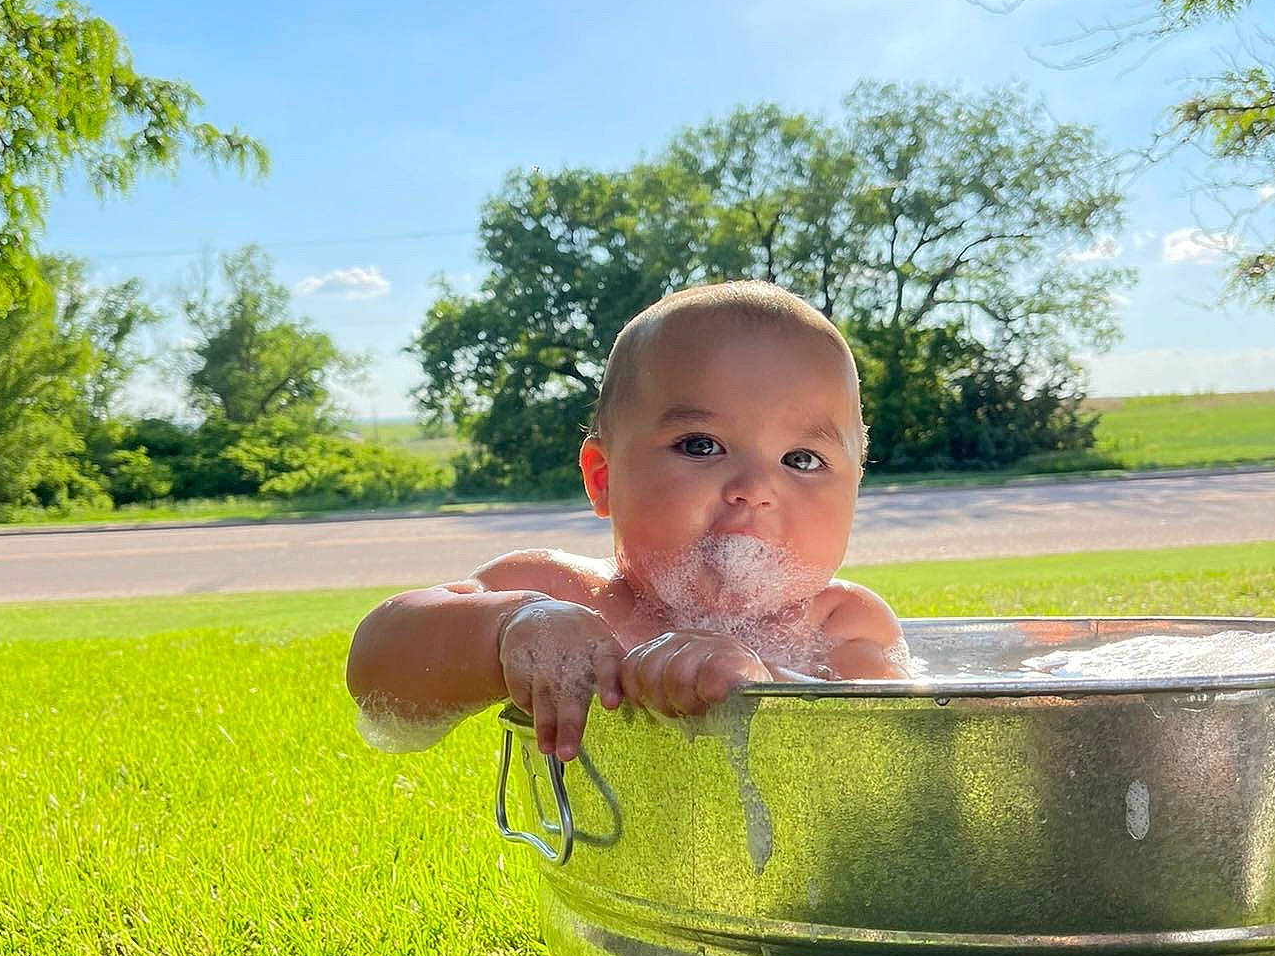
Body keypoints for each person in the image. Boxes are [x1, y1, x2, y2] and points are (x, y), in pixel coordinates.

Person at [345, 281, 907, 762]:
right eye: (701, 445)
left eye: (802, 460)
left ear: (855, 485)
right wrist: (511, 626)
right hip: (601, 845)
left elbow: (890, 747)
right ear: (603, 478)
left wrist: (760, 683)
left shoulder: (840, 623)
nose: (755, 490)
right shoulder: (561, 593)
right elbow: (377, 669)